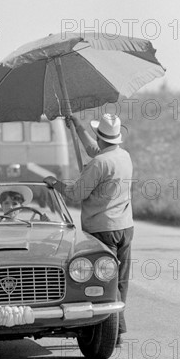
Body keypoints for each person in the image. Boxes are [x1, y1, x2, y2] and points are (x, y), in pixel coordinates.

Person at [44, 113, 134, 347]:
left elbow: (75, 194)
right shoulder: (123, 156)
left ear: (100, 136)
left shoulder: (99, 164)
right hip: (125, 226)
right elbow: (95, 150)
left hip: (102, 228)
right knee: (120, 280)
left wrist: (56, 183)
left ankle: (113, 331)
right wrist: (78, 127)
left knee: (104, 282)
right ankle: (118, 329)